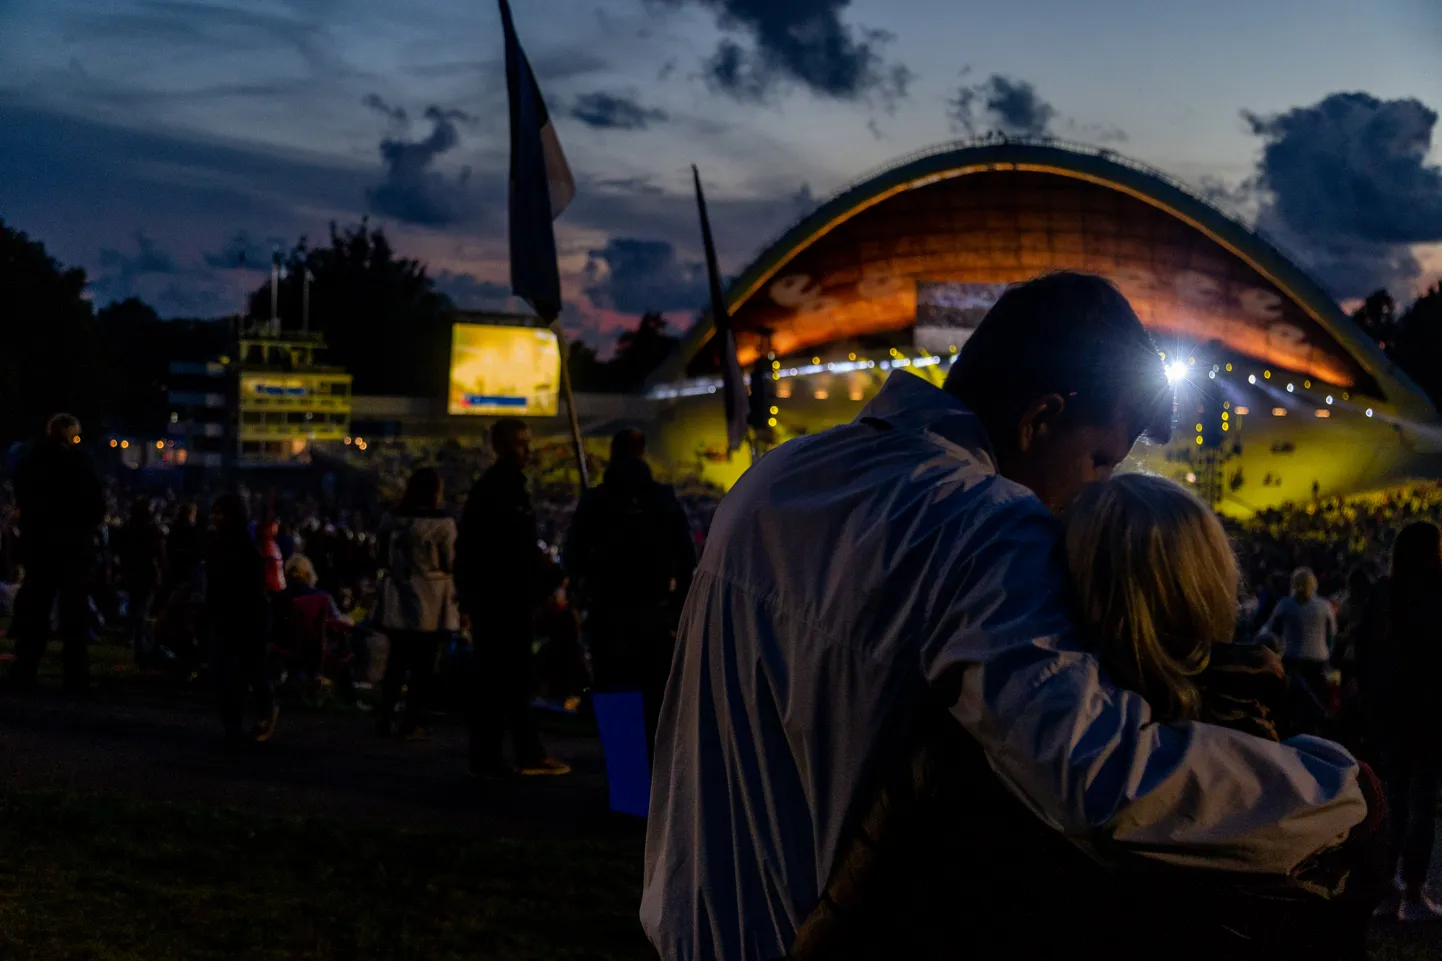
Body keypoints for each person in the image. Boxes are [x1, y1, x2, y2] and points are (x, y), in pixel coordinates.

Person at [641, 273, 1376, 961]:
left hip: (694, 928)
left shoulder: (772, 477)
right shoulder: (989, 525)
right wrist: (1330, 792)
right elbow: (1094, 772)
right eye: (1098, 460)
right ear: (1040, 418)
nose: (1095, 492)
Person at [565, 428, 696, 759]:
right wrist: (679, 608)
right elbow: (686, 557)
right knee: (655, 697)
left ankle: (625, 783)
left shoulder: (596, 501)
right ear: (642, 452)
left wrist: (584, 595)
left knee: (615, 693)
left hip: (608, 613)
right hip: (654, 612)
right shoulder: (663, 500)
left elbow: (573, 556)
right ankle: (658, 783)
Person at [456, 419, 569, 777]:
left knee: (502, 681)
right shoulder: (503, 489)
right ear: (504, 446)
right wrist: (544, 580)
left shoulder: (495, 487)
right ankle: (517, 755)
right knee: (508, 679)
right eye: (522, 443)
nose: (528, 450)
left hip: (497, 599)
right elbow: (510, 550)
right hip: (504, 600)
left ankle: (501, 755)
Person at [1362, 521, 1442, 922]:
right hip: (1428, 714)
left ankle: (1383, 888)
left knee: (1390, 802)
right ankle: (1412, 891)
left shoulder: (1382, 593)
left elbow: (1364, 655)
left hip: (1389, 713)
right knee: (1421, 803)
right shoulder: (1435, 595)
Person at [8, 413, 105, 693]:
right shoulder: (79, 464)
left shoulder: (30, 462)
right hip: (72, 548)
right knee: (74, 615)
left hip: (39, 546)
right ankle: (75, 677)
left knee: (35, 610)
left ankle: (24, 669)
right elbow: (96, 505)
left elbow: (22, 497)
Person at [376, 468, 458, 739]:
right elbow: (450, 561)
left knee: (396, 662)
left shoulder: (392, 519)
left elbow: (381, 555)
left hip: (399, 595)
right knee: (423, 666)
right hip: (432, 600)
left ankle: (385, 716)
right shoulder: (443, 524)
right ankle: (412, 721)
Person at [206, 493, 278, 745]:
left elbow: (250, 586)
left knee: (250, 670)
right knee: (227, 674)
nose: (215, 518)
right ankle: (235, 725)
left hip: (245, 616)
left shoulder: (244, 547)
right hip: (227, 615)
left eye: (221, 513)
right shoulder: (218, 544)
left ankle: (264, 712)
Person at [1260, 566, 1337, 734]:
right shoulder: (1324, 606)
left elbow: (1271, 631)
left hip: (1292, 660)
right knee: (1316, 704)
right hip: (1319, 660)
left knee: (1293, 704)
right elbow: (1332, 634)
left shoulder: (1285, 605)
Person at [115, 497, 166, 667]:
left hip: (133, 571)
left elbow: (120, 550)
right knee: (142, 609)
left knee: (135, 606)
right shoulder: (152, 530)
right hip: (147, 573)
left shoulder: (128, 529)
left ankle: (132, 636)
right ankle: (139, 642)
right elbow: (160, 553)